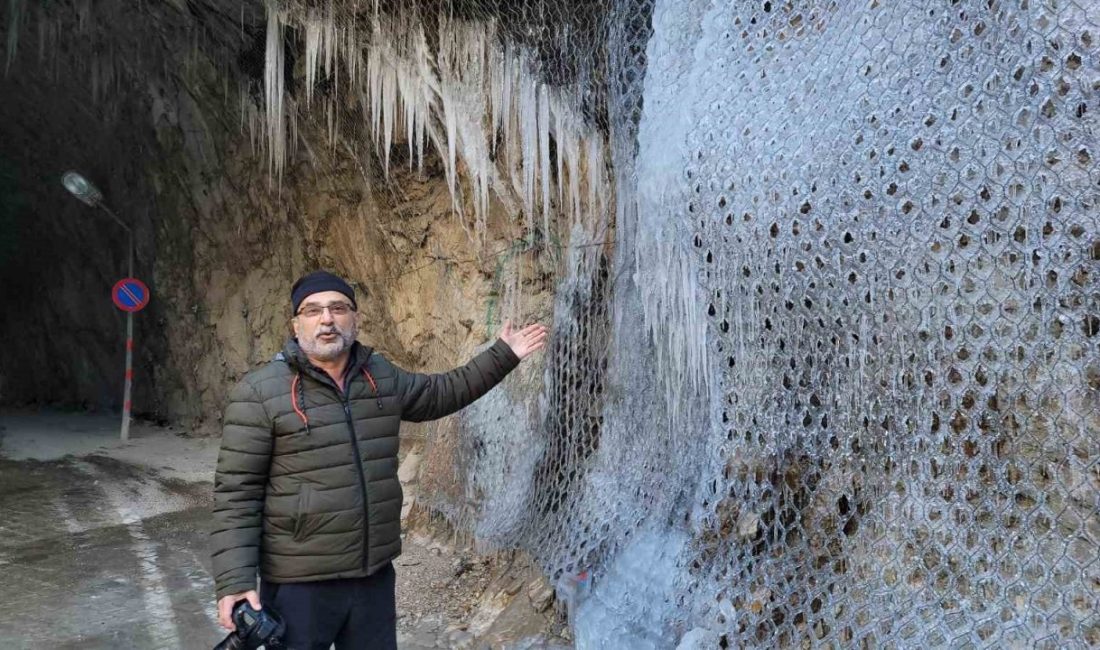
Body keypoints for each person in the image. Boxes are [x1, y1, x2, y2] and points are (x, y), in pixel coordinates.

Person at [211, 270, 548, 649]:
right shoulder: (260, 391)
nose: (327, 319)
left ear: (355, 318)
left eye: (338, 308)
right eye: (313, 310)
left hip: (372, 576)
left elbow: (441, 393)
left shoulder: (379, 376)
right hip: (300, 582)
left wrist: (505, 354)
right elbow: (236, 495)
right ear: (295, 322)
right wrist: (236, 582)